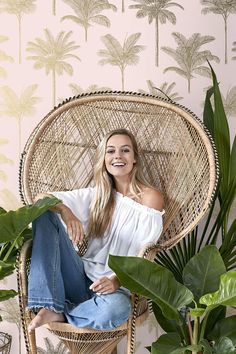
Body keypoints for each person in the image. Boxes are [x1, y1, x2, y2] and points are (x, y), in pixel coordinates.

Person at [28, 128, 164, 333]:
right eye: (110, 151)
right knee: (43, 212)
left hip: (113, 291)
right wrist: (65, 211)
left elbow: (145, 254)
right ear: (104, 159)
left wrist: (117, 281)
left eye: (125, 150)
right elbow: (40, 199)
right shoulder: (97, 196)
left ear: (135, 158)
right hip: (79, 278)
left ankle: (61, 312)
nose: (117, 156)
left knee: (118, 309)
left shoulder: (150, 197)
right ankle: (49, 302)